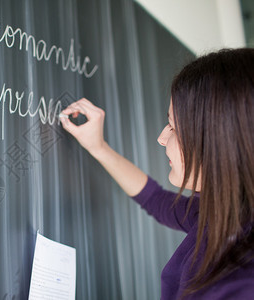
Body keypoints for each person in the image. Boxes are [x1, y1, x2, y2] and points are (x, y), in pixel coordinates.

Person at [60, 48, 254, 299]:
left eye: (174, 127)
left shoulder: (244, 282)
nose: (162, 138)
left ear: (220, 140)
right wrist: (99, 148)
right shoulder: (221, 215)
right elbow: (155, 199)